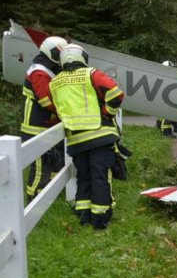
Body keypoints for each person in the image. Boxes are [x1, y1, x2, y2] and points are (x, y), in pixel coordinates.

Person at [49, 44, 124, 230]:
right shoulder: (91, 74)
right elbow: (116, 93)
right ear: (82, 57)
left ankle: (83, 215)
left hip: (75, 139)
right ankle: (100, 218)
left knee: (83, 176)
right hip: (99, 135)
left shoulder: (54, 82)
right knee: (100, 176)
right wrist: (107, 113)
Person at [20, 36, 68, 202]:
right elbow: (46, 100)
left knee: (55, 160)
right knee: (41, 164)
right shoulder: (39, 71)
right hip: (36, 126)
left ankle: (52, 192)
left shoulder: (49, 68)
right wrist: (65, 112)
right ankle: (34, 197)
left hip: (47, 125)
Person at [157, 60, 177, 138]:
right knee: (165, 116)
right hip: (165, 98)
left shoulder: (166, 75)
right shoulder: (163, 76)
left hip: (168, 98)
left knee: (169, 116)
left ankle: (169, 132)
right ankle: (165, 133)